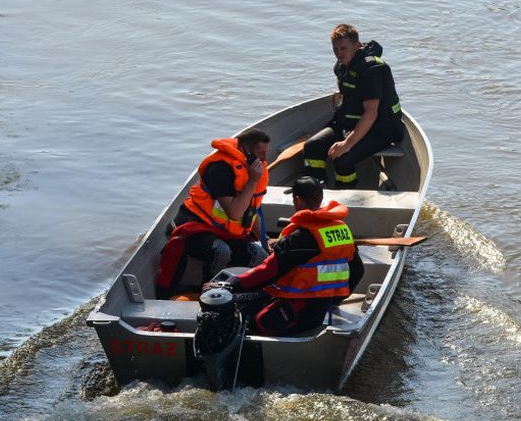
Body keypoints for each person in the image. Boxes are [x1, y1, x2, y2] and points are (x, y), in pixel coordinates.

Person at [212, 176, 364, 336]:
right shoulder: (341, 229)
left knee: (242, 320)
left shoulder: (299, 238)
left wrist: (230, 284)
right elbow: (358, 270)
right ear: (320, 198)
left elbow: (267, 272)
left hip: (295, 315)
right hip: (320, 311)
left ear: (297, 200)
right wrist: (333, 301)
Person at [155, 128, 272, 299]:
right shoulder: (220, 168)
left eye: (266, 153)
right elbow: (235, 212)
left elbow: (251, 211)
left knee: (259, 254)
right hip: (196, 228)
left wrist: (265, 239)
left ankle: (240, 295)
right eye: (261, 153)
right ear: (246, 151)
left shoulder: (250, 169)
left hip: (226, 231)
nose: (264, 159)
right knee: (221, 251)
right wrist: (253, 181)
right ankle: (211, 296)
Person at [302, 23, 404, 188]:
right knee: (312, 146)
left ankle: (345, 194)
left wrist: (347, 143)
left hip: (381, 129)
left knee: (343, 159)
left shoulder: (372, 69)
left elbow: (371, 114)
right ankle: (315, 189)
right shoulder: (342, 67)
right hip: (351, 123)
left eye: (343, 48)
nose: (339, 54)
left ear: (357, 45)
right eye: (335, 49)